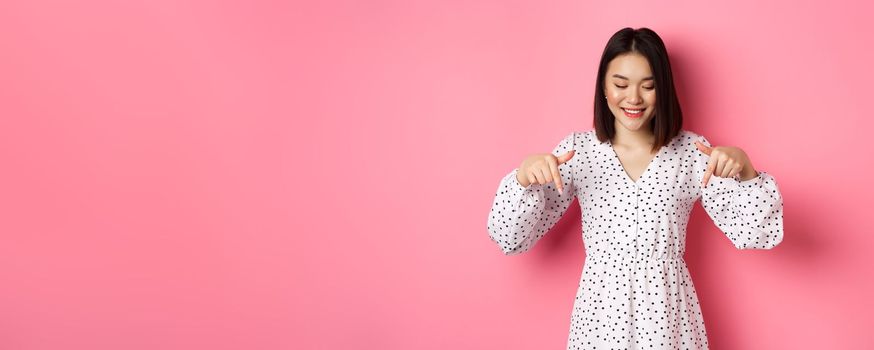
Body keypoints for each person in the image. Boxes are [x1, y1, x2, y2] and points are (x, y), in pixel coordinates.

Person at [486, 27, 784, 349]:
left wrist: (747, 169)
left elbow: (756, 234)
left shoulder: (692, 152)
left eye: (649, 86)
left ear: (664, 89)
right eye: (620, 84)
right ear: (603, 86)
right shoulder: (579, 152)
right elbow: (509, 238)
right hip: (599, 318)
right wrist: (523, 180)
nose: (633, 98)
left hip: (668, 317)